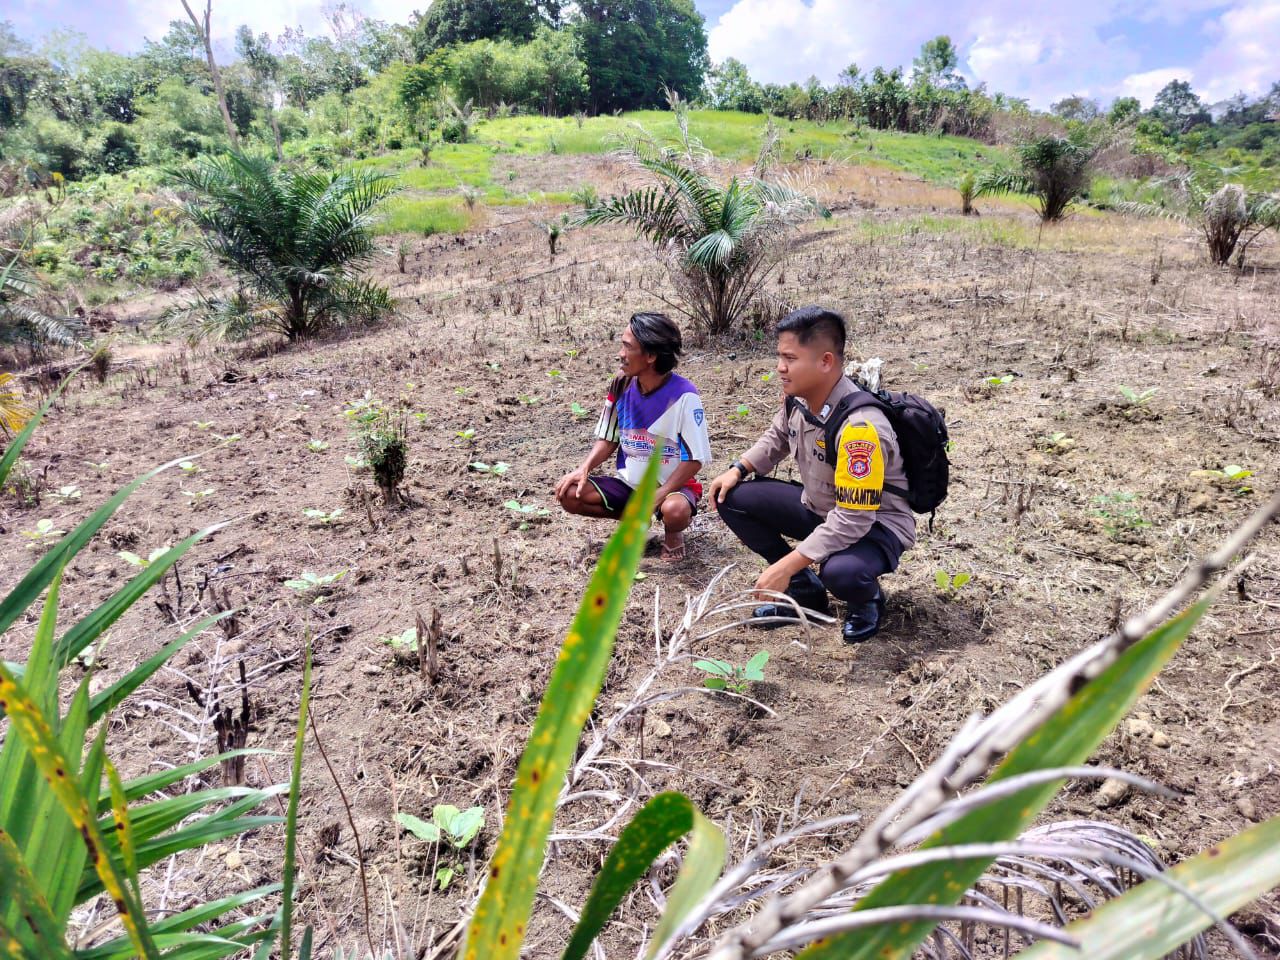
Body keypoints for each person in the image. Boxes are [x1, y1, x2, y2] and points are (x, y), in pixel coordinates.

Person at [708, 306, 916, 643]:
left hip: (874, 525)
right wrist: (739, 467)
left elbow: (853, 520)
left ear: (825, 362)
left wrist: (785, 565)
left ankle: (867, 600)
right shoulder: (800, 399)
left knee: (841, 572)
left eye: (790, 358)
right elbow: (777, 436)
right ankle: (805, 593)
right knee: (730, 497)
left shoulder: (861, 429)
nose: (780, 367)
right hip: (822, 508)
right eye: (780, 356)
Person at [555, 312, 711, 562]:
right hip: (630, 485)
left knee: (675, 510)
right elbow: (609, 437)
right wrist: (584, 469)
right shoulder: (621, 384)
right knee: (570, 493)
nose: (620, 354)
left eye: (627, 347)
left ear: (651, 356)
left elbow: (694, 459)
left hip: (673, 487)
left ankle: (673, 533)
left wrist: (660, 494)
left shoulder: (685, 396)